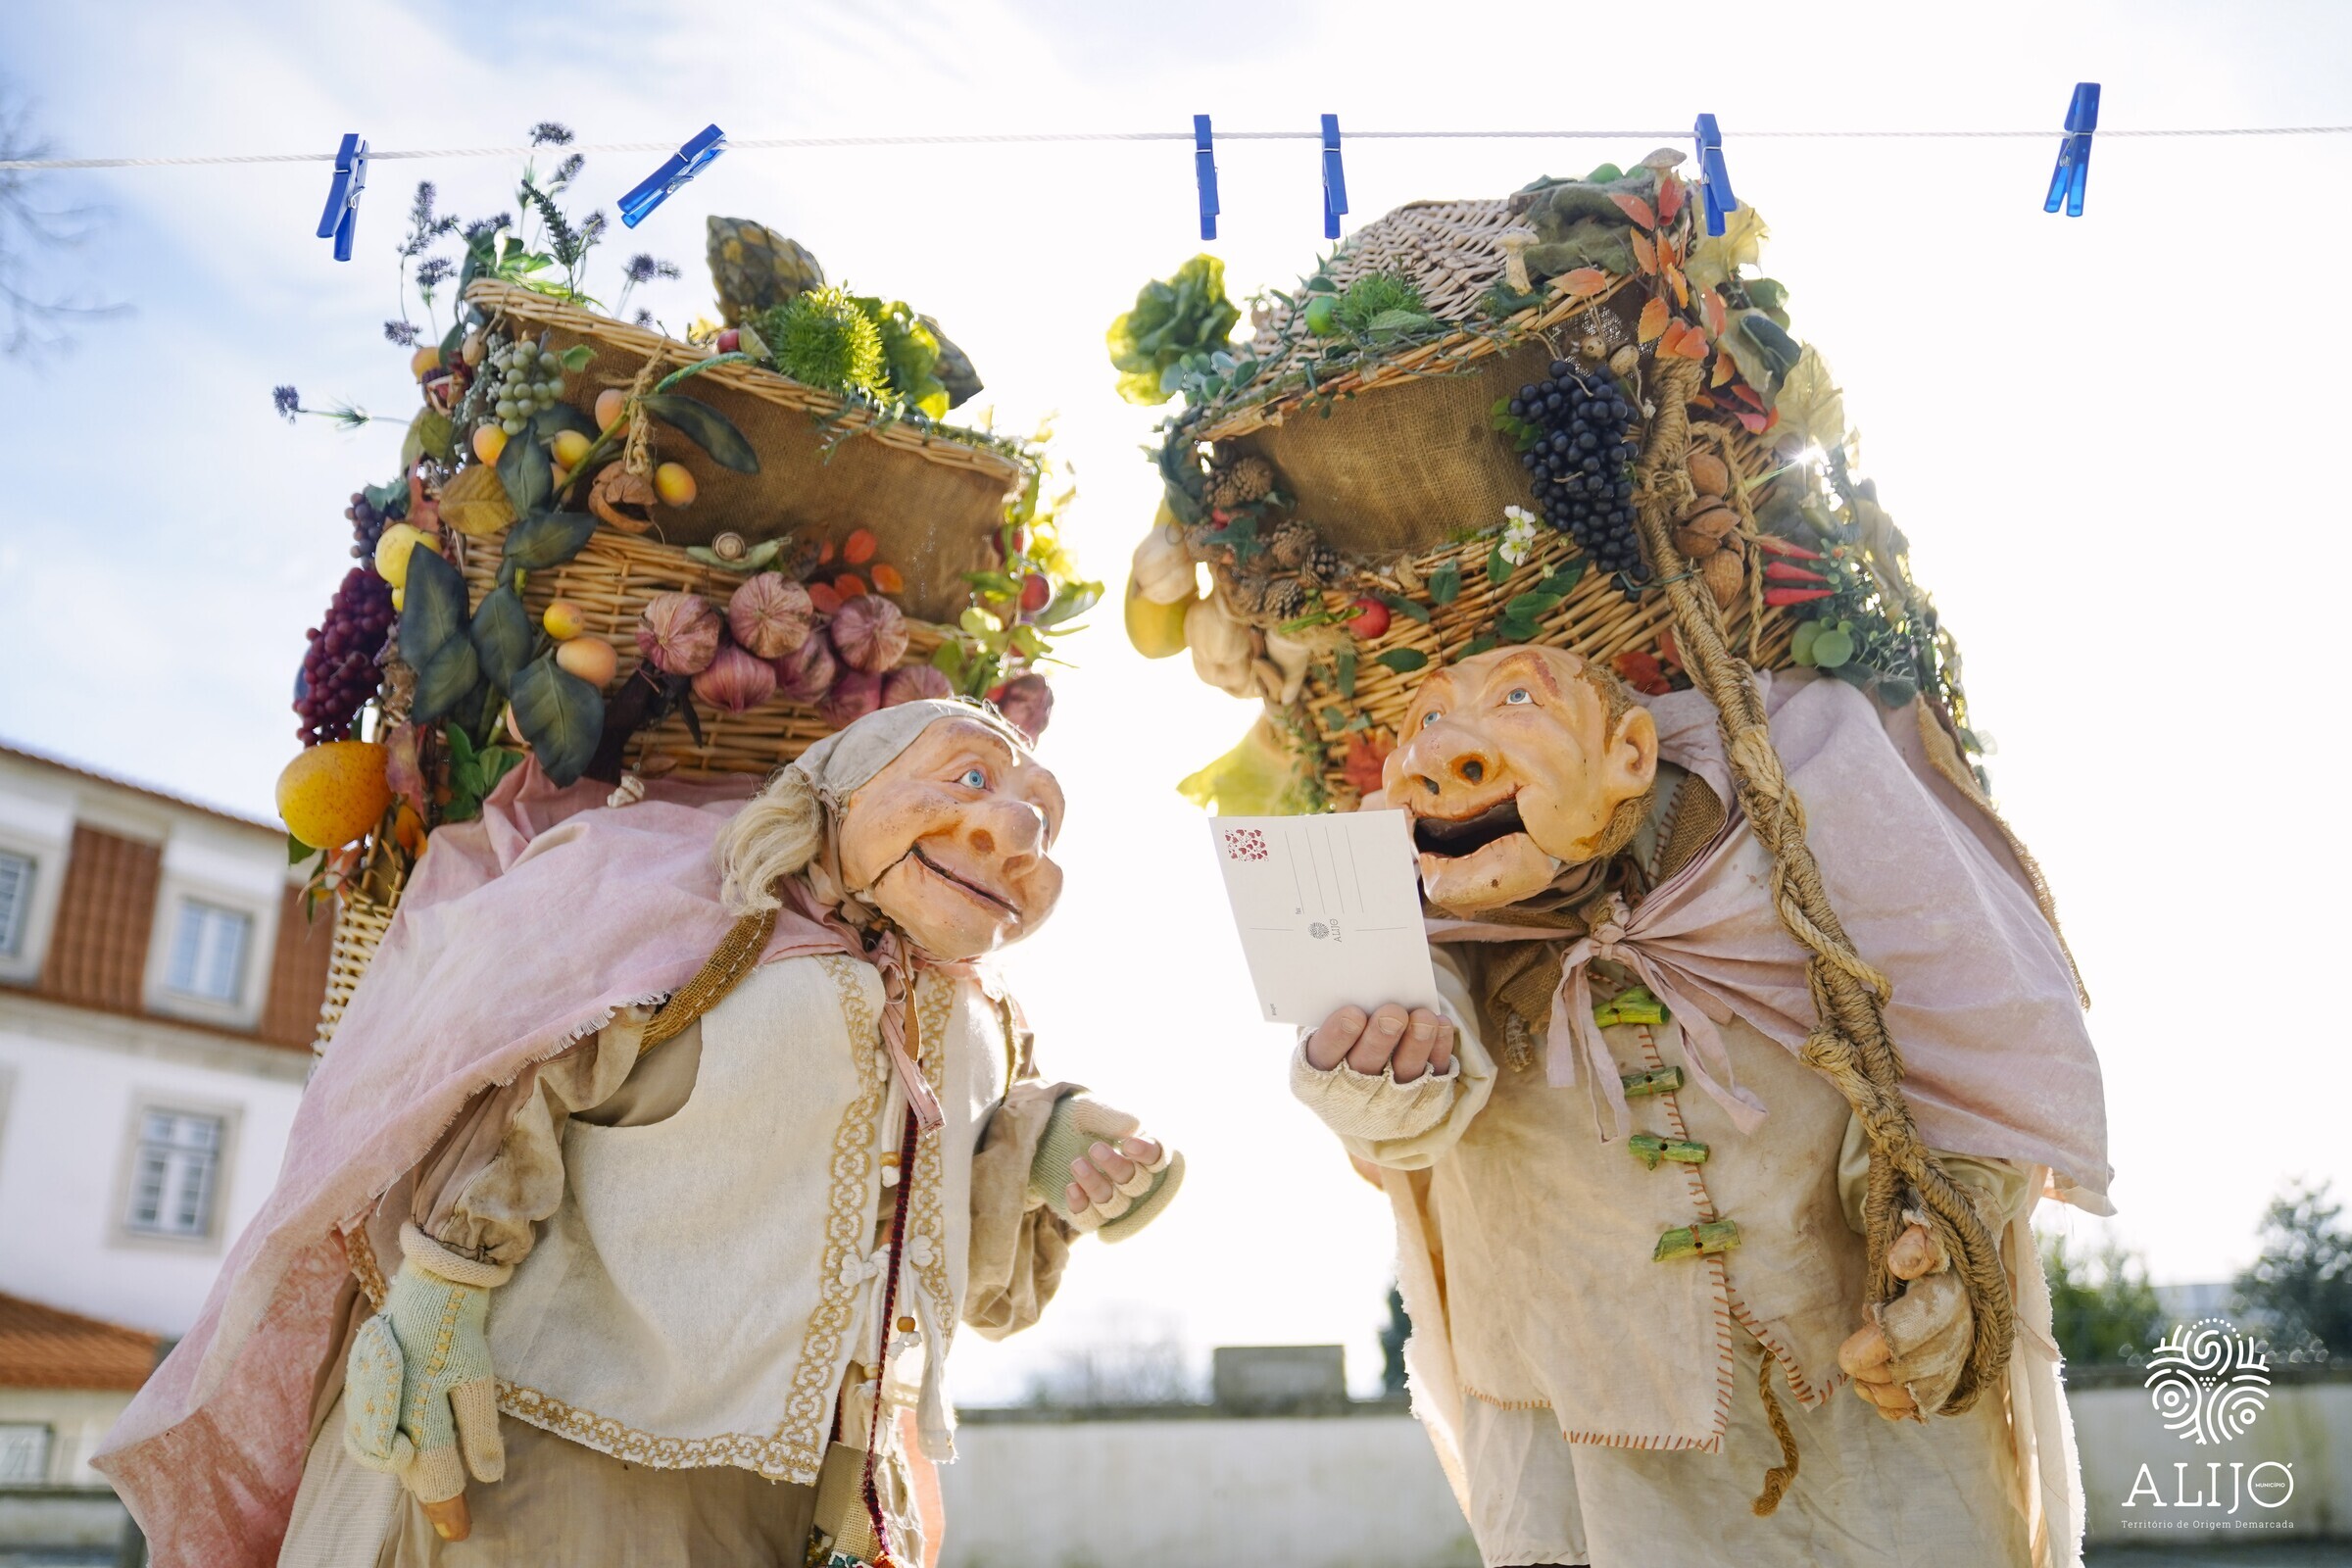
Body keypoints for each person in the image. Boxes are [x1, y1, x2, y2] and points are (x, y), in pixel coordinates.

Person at [96, 699, 1180, 1568]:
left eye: (1045, 817)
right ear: (841, 783)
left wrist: (1045, 1145)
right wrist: (438, 1291)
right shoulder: (691, 906)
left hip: (812, 1496)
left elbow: (944, 1232)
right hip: (561, 1453)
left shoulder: (978, 1011)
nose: (1015, 831)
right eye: (971, 777)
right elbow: (522, 1073)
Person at [1289, 647, 2106, 1568]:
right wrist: (1368, 1072)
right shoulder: (1401, 905)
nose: (1444, 755)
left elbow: (1961, 1032)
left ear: (1632, 753)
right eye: (1428, 721)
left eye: (1517, 698)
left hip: (1867, 1431)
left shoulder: (1799, 818)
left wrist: (1945, 1240)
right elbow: (1403, 1099)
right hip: (1578, 1452)